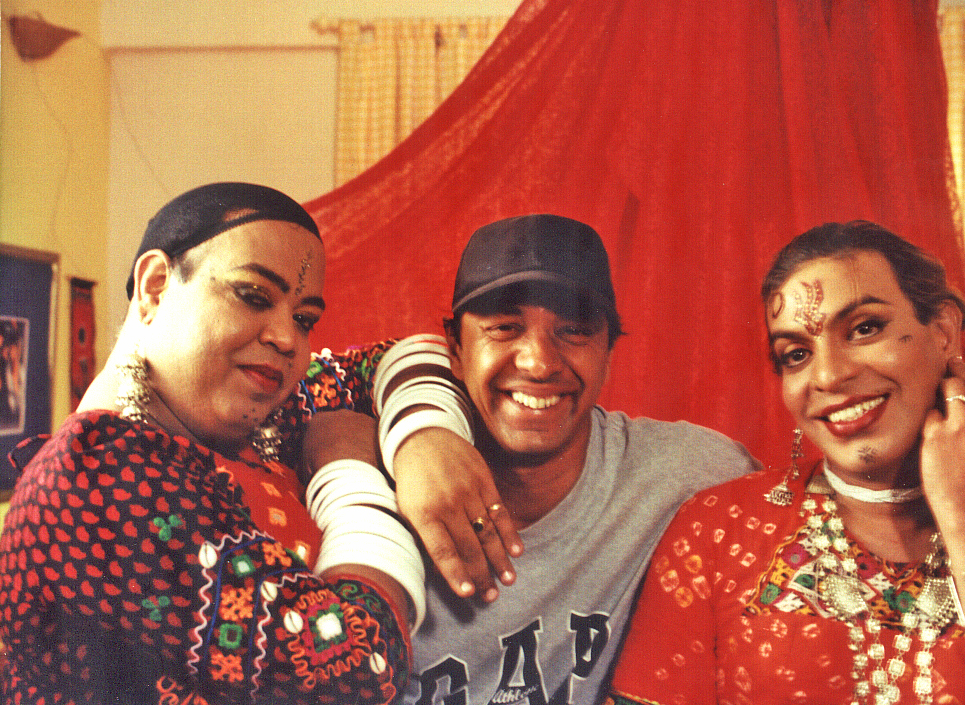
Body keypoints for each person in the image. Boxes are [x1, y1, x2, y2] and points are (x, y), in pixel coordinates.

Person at [290, 214, 763, 705]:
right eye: (504, 327)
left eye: (574, 331)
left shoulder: (693, 473)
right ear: (453, 346)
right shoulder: (382, 472)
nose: (538, 361)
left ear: (608, 352)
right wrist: (401, 444)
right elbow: (325, 419)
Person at [604, 221, 965, 705]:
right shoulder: (718, 528)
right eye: (796, 354)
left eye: (865, 328)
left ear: (945, 330)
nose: (828, 375)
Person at [0, 183, 424, 704]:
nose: (289, 338)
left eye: (304, 318)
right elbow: (357, 670)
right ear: (155, 286)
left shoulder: (230, 423)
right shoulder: (98, 478)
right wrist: (351, 481)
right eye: (253, 296)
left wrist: (425, 438)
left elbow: (376, 363)